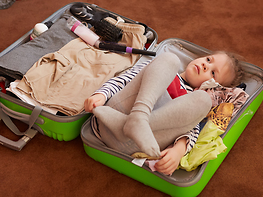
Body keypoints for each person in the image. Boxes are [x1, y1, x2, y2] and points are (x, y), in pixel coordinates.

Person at [84, 51, 244, 175]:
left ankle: (133, 124)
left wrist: (178, 151)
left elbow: (192, 129)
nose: (205, 66)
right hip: (110, 119)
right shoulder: (162, 67)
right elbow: (125, 79)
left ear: (213, 85)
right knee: (170, 59)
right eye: (208, 60)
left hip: (138, 146)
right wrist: (102, 94)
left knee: (203, 101)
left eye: (213, 73)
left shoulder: (193, 99)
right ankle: (137, 118)